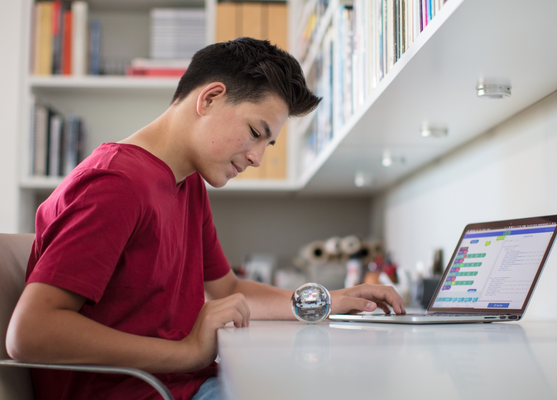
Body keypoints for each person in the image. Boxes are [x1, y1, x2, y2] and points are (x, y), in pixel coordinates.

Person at [6, 37, 405, 400]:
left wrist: (325, 302)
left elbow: (227, 288)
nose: (257, 158)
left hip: (186, 385)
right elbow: (30, 333)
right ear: (210, 98)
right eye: (255, 132)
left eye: (267, 144)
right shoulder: (115, 183)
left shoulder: (188, 183)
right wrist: (186, 353)